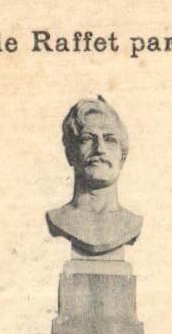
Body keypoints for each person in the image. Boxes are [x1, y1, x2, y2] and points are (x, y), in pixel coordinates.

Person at [46, 97, 143, 256]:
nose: (100, 149)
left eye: (110, 139)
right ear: (70, 154)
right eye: (87, 139)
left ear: (122, 156)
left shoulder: (131, 223)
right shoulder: (59, 219)